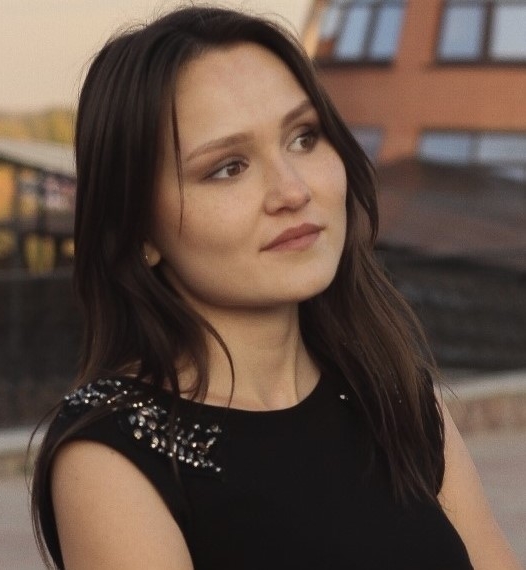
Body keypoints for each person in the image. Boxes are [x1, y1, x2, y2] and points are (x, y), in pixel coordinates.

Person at [30, 6, 522, 570]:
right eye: (228, 167)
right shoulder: (112, 452)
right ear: (138, 228)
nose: (292, 190)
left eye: (304, 138)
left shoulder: (394, 395)